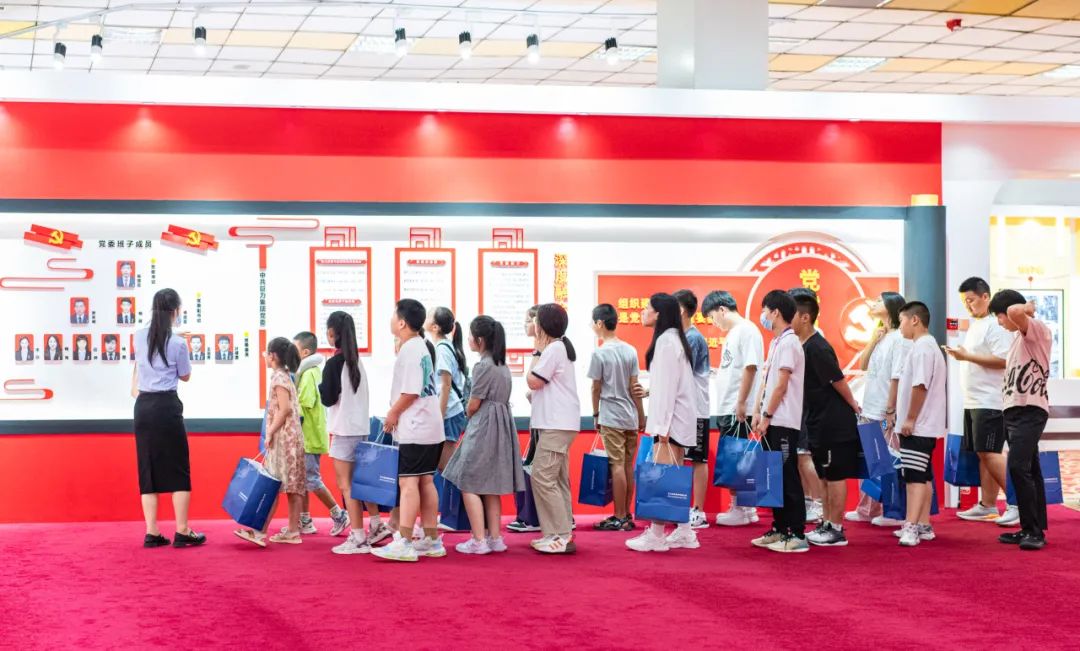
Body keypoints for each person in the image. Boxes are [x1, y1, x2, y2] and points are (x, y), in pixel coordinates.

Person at [130, 288, 205, 549]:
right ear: (175, 311)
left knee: (147, 469)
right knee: (178, 468)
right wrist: (179, 343)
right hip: (166, 407)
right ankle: (182, 530)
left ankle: (152, 532)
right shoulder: (178, 343)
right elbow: (185, 375)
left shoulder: (138, 336)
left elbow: (144, 359)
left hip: (143, 407)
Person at [373, 299, 448, 562]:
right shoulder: (422, 346)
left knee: (408, 482)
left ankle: (404, 541)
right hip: (430, 426)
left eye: (394, 315)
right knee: (426, 481)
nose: (391, 319)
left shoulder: (410, 349)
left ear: (402, 322)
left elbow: (411, 391)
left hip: (416, 427)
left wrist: (393, 413)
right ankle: (431, 539)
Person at [444, 316, 525, 554]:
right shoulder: (502, 365)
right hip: (501, 426)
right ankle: (495, 538)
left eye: (470, 335)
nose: (468, 339)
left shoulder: (483, 366)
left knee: (467, 481)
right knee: (491, 485)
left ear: (479, 340)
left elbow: (473, 404)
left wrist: (468, 414)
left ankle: (478, 540)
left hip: (483, 426)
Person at [626, 293, 700, 553]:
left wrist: (662, 429)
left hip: (670, 422)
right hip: (676, 419)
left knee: (663, 478)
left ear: (658, 314)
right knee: (673, 477)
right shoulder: (673, 339)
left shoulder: (667, 341)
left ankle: (656, 535)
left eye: (647, 308)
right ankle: (685, 531)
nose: (643, 311)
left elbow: (667, 389)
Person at [791, 293, 862, 547]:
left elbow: (838, 380)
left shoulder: (818, 347)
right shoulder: (803, 346)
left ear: (805, 317)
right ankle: (827, 523)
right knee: (823, 474)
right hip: (817, 420)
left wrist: (853, 405)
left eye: (791, 314)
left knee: (834, 476)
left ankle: (836, 529)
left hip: (834, 423)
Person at [947, 277, 1017, 526]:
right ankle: (988, 505)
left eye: (971, 300)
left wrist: (967, 357)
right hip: (974, 400)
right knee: (984, 453)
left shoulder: (995, 325)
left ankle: (1018, 503)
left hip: (991, 400)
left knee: (990, 453)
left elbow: (1004, 360)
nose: (968, 305)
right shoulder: (977, 325)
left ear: (985, 296)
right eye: (965, 301)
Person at [320, 311, 386, 555]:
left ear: (331, 333)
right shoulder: (357, 361)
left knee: (346, 486)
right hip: (360, 428)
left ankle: (358, 537)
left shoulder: (333, 363)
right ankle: (376, 525)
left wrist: (320, 386)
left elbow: (327, 398)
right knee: (361, 482)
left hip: (343, 431)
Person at [990, 291, 1051, 550]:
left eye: (999, 315)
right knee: (1029, 469)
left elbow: (1015, 312)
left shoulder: (1035, 329)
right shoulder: (1017, 338)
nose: (1000, 321)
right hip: (1015, 411)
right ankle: (1031, 528)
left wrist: (1027, 307)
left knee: (1018, 467)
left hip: (1030, 410)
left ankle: (1034, 532)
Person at [235, 337, 307, 547]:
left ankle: (259, 532)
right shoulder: (286, 376)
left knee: (271, 485)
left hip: (284, 440)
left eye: (267, 353)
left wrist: (269, 433)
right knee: (293, 487)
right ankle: (292, 531)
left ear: (273, 356)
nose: (265, 356)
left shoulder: (278, 378)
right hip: (292, 438)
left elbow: (284, 410)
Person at [751, 290, 807, 553]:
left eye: (765, 310)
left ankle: (796, 533)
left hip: (783, 420)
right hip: (771, 419)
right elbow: (767, 382)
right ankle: (780, 527)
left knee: (787, 475)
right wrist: (757, 411)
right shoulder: (776, 342)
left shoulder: (790, 343)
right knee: (773, 476)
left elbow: (781, 386)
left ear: (775, 312)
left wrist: (768, 416)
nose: (762, 316)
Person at [846, 291, 907, 524]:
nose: (873, 303)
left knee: (889, 462)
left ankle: (893, 511)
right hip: (870, 407)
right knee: (872, 463)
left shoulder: (900, 338)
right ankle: (867, 509)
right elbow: (863, 365)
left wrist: (891, 410)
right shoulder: (881, 335)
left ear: (891, 306)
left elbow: (897, 377)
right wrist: (873, 340)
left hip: (884, 409)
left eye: (879, 300)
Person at [703, 290, 763, 527]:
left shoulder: (746, 330)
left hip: (736, 408)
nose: (713, 323)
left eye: (712, 317)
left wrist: (741, 403)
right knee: (739, 458)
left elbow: (750, 367)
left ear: (722, 310)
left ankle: (739, 507)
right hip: (731, 405)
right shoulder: (737, 332)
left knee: (736, 459)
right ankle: (746, 508)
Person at [526, 303, 581, 554]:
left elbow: (533, 381)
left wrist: (537, 351)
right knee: (555, 479)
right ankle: (556, 534)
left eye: (534, 321)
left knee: (542, 477)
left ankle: (561, 535)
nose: (531, 325)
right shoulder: (558, 347)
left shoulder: (553, 349)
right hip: (558, 423)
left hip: (556, 424)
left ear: (542, 325)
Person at [587, 303, 645, 532]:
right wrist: (641, 415)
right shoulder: (630, 350)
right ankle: (626, 514)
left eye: (593, 322)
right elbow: (635, 387)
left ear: (600, 323)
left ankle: (619, 516)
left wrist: (595, 414)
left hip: (611, 416)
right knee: (628, 466)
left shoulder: (600, 353)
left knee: (617, 466)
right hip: (630, 415)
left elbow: (595, 388)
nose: (592, 326)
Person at [894, 301, 947, 547]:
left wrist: (910, 418)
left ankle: (911, 525)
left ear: (914, 320)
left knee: (914, 477)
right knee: (923, 475)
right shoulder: (925, 346)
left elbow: (920, 385)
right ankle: (923, 524)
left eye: (902, 321)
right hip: (924, 423)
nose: (900, 327)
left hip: (919, 425)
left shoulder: (924, 348)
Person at [292, 331, 350, 537]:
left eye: (295, 349)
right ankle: (305, 520)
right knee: (302, 480)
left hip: (310, 436)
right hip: (308, 436)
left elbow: (304, 403)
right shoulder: (311, 370)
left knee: (311, 479)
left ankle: (339, 514)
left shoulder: (308, 373)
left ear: (305, 352)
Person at [673, 289, 712, 530]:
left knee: (698, 459)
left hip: (696, 409)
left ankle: (698, 511)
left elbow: (684, 375)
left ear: (681, 310)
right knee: (682, 457)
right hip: (683, 409)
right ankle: (680, 506)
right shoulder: (682, 337)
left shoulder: (694, 339)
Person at [788, 287, 824, 525]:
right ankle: (810, 501)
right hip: (796, 406)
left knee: (805, 456)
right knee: (799, 457)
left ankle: (819, 503)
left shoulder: (814, 341)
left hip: (808, 408)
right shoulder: (796, 338)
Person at [507, 304, 543, 534]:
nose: (525, 325)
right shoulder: (541, 349)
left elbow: (534, 382)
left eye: (528, 320)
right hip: (540, 416)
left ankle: (534, 518)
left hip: (545, 419)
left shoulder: (545, 350)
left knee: (540, 471)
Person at [427, 306, 469, 478]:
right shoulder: (444, 346)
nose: (425, 317)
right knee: (443, 466)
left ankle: (454, 496)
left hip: (449, 413)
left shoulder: (441, 349)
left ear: (435, 327)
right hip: (450, 411)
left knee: (445, 467)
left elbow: (445, 385)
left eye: (429, 316)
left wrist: (438, 417)